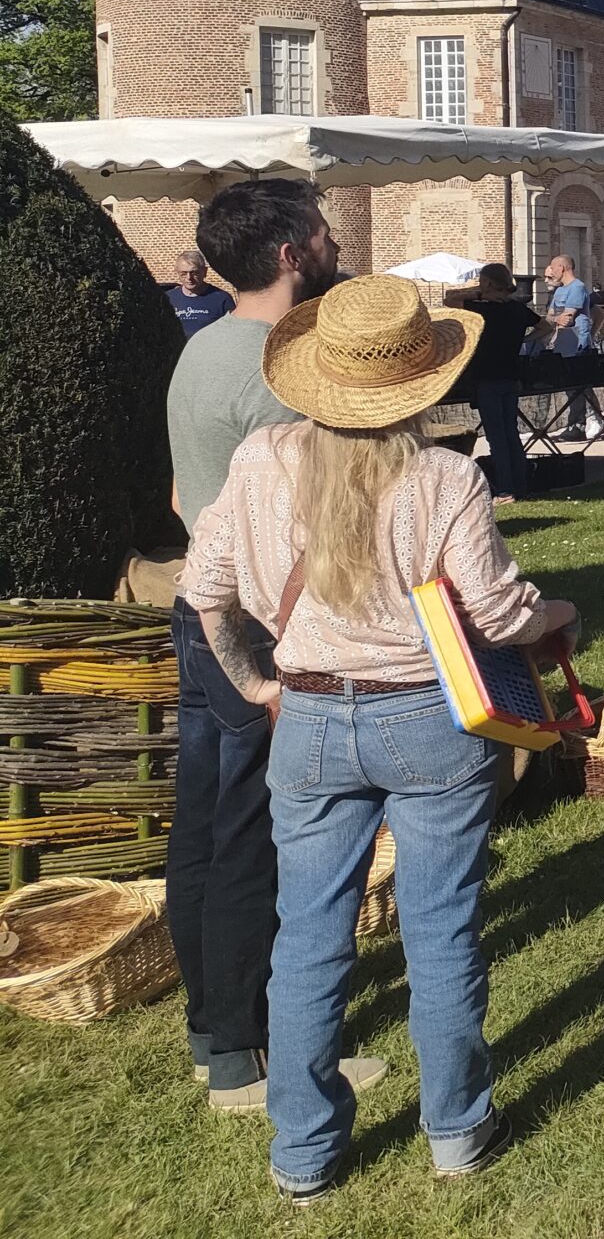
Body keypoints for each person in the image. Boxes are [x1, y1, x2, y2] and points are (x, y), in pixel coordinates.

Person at [183, 275, 577, 1203]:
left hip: (310, 716)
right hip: (429, 719)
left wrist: (257, 686)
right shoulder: (445, 479)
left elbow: (205, 591)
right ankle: (458, 1130)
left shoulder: (261, 460)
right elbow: (498, 613)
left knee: (307, 939)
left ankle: (304, 1152)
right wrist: (556, 613)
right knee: (441, 931)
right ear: (422, 380)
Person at [164, 180, 386, 1117]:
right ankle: (243, 1057)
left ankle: (211, 1029)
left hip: (199, 606)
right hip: (256, 624)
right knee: (253, 831)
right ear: (293, 252)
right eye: (325, 233)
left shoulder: (200, 347)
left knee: (204, 822)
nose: (335, 246)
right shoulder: (275, 369)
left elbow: (184, 497)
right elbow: (309, 517)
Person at [452, 264, 540, 503]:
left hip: (487, 376)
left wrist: (479, 294)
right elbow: (545, 326)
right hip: (511, 375)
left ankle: (505, 490)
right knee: (511, 433)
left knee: (497, 437)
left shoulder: (481, 309)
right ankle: (520, 486)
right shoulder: (517, 309)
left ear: (488, 283)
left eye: (482, 281)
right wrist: (524, 340)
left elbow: (450, 299)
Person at [541, 254, 599, 439]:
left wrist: (557, 319)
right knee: (570, 387)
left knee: (581, 384)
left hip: (578, 343)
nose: (551, 272)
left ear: (561, 267)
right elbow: (550, 317)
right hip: (562, 344)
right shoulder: (559, 291)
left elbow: (567, 318)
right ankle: (576, 425)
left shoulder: (578, 288)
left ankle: (594, 419)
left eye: (552, 268)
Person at [165, 249, 236, 337]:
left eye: (194, 273)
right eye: (183, 273)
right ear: (177, 272)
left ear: (205, 272)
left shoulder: (222, 299)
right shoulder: (168, 299)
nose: (189, 278)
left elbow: (233, 332)